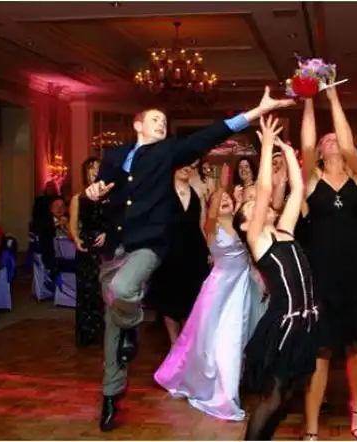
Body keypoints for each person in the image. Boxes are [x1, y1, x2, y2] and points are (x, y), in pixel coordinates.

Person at [83, 86, 294, 432]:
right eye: (155, 119)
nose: (161, 124)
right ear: (138, 125)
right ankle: (111, 393)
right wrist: (92, 192)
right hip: (115, 246)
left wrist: (256, 112)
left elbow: (210, 135)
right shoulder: (115, 154)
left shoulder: (168, 152)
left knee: (122, 292)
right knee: (112, 322)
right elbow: (102, 188)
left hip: (148, 245)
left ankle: (132, 323)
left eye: (164, 121)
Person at [300, 89, 357, 441]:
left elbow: (348, 145)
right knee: (320, 351)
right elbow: (306, 143)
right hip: (321, 272)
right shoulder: (310, 180)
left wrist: (333, 97)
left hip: (356, 270)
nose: (333, 140)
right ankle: (311, 426)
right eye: (327, 139)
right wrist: (308, 96)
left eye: (336, 136)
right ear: (320, 151)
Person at [154, 164, 266, 421]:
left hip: (241, 287)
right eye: (220, 200)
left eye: (228, 200)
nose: (224, 201)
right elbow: (213, 210)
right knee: (209, 339)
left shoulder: (242, 225)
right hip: (219, 290)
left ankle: (230, 387)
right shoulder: (211, 226)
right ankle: (216, 391)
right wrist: (221, 187)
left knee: (234, 338)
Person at [232, 116, 318, 440]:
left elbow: (298, 190)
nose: (261, 205)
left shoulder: (285, 229)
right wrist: (266, 145)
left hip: (305, 322)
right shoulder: (257, 238)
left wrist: (289, 153)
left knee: (289, 393)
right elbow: (266, 188)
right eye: (251, 206)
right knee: (273, 397)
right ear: (245, 224)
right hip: (283, 325)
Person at [147, 161, 210, 345]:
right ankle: (174, 344)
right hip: (169, 253)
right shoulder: (162, 193)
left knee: (192, 300)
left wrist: (209, 250)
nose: (186, 168)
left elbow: (202, 225)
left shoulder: (197, 192)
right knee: (169, 300)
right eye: (182, 164)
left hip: (194, 253)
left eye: (190, 165)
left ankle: (187, 344)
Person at [69, 157, 106, 347]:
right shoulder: (78, 198)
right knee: (86, 291)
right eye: (91, 168)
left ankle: (107, 334)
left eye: (98, 168)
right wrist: (76, 240)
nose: (94, 171)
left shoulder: (109, 197)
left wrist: (107, 234)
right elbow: (73, 225)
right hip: (86, 246)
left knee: (104, 290)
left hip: (105, 247)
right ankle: (87, 335)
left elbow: (117, 221)